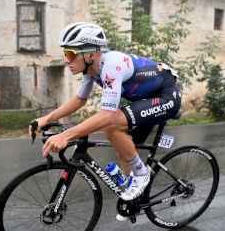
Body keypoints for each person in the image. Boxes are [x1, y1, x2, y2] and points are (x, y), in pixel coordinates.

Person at [29, 22, 181, 218]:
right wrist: (45, 118)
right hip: (144, 99)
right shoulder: (91, 69)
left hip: (167, 96)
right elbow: (79, 100)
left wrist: (67, 135)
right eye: (65, 53)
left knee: (111, 126)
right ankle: (134, 198)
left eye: (70, 54)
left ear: (90, 54)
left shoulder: (112, 65)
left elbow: (107, 116)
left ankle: (141, 175)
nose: (66, 60)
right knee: (124, 149)